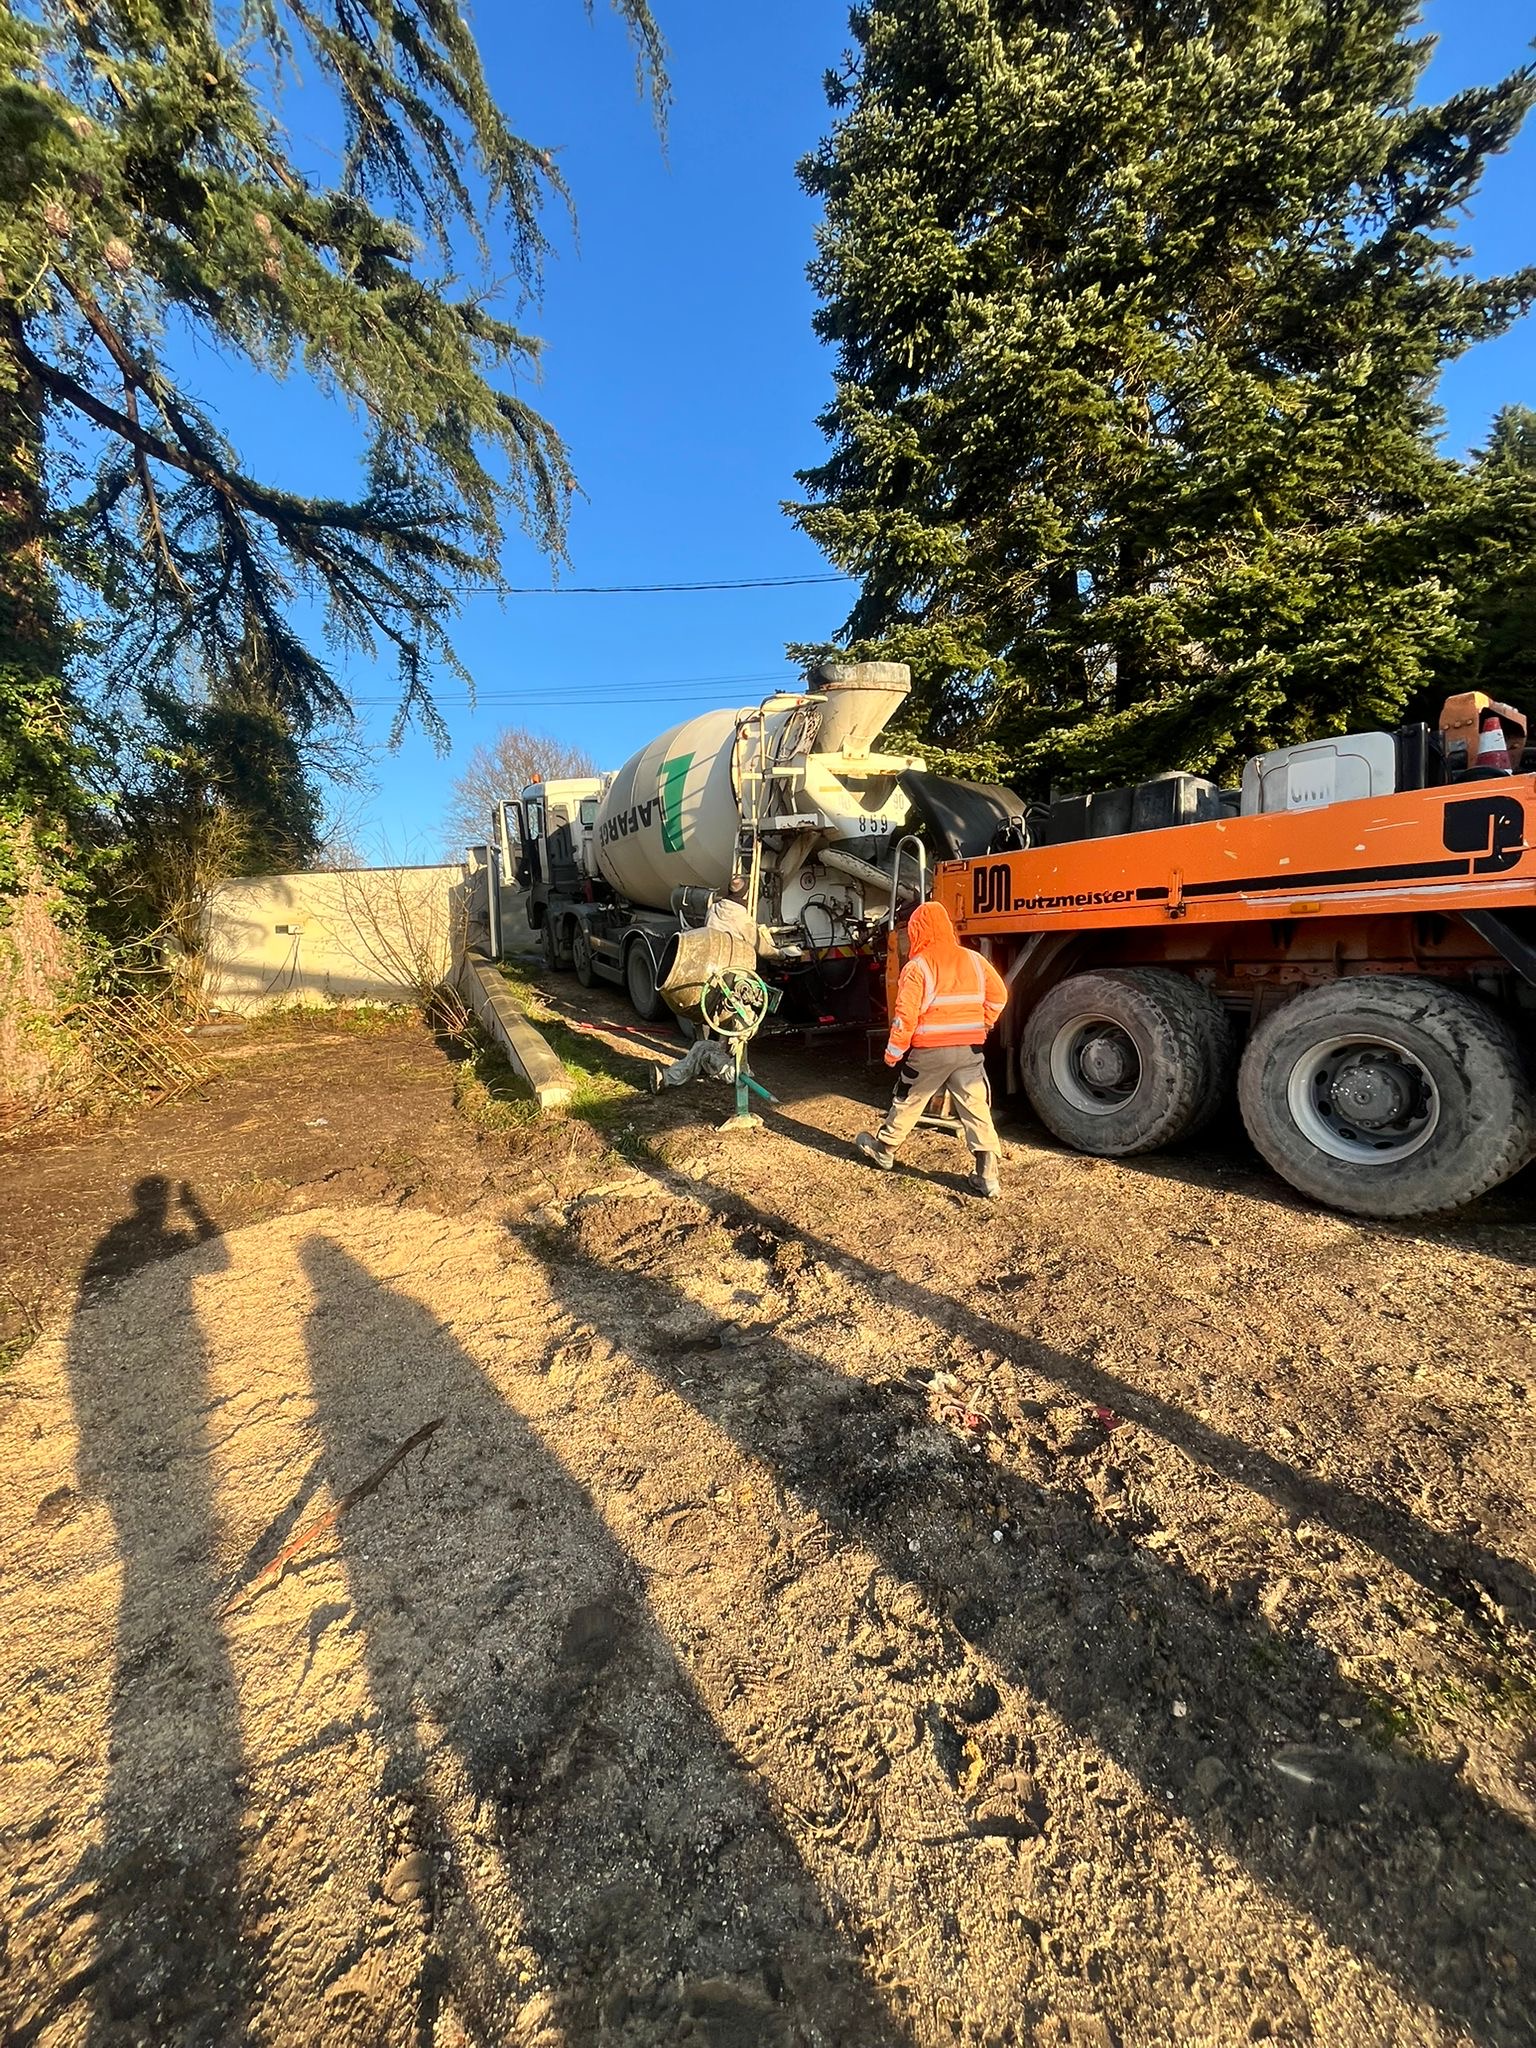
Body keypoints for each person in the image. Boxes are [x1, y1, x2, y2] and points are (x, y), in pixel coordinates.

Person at [855, 900, 1008, 1197]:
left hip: (930, 1052)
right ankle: (987, 1175)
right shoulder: (975, 960)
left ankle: (884, 1149)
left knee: (909, 1100)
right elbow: (999, 994)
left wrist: (893, 1052)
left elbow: (905, 1015)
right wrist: (984, 1022)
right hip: (968, 1050)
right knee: (975, 1108)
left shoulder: (918, 966)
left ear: (917, 931)